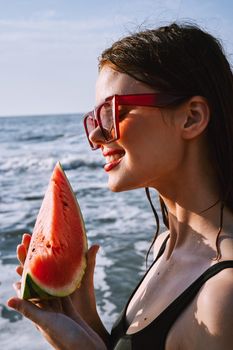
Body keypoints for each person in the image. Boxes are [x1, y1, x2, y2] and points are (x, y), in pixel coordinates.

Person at [7, 22, 233, 350]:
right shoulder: (164, 245)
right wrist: (81, 317)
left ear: (191, 117)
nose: (97, 136)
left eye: (113, 113)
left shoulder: (223, 298)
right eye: (94, 120)